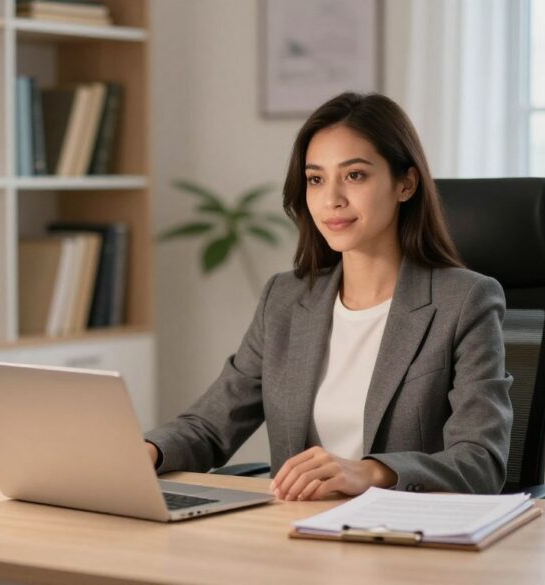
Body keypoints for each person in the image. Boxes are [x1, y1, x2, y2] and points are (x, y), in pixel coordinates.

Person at [143, 92, 513, 501]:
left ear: (405, 184)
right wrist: (149, 451)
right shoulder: (284, 298)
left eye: (354, 175)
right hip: (298, 533)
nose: (331, 198)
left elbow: (481, 461)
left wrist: (372, 473)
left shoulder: (464, 302)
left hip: (404, 540)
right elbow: (211, 426)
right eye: (316, 179)